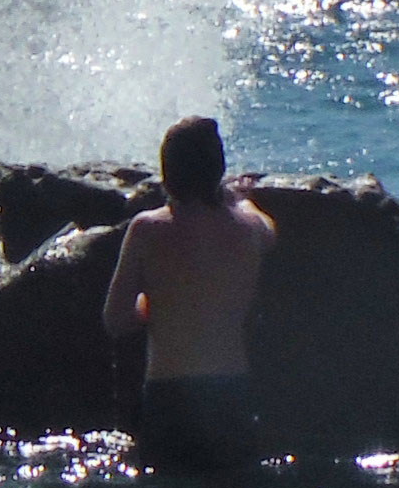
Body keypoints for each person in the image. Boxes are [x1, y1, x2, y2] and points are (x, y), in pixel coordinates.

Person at [101, 114, 275, 466]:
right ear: (218, 169)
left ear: (167, 173)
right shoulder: (251, 227)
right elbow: (266, 228)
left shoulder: (147, 229)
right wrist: (240, 200)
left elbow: (115, 319)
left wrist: (153, 306)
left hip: (169, 397)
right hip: (232, 395)